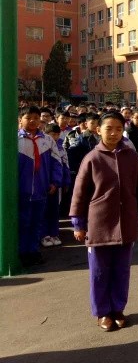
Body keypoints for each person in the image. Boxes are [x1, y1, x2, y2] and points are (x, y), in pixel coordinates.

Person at [70, 112, 138, 332]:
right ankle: (102, 312)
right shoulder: (92, 158)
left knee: (122, 269)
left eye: (118, 129)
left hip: (126, 222)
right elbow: (79, 194)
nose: (113, 133)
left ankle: (117, 308)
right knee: (99, 271)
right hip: (99, 224)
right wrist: (78, 223)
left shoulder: (131, 157)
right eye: (109, 128)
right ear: (99, 130)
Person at [18, 107, 63, 266]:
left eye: (36, 118)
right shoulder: (14, 140)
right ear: (20, 120)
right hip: (21, 191)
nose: (32, 121)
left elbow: (57, 163)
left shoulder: (47, 140)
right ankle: (22, 252)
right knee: (22, 222)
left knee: (37, 222)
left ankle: (33, 251)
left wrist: (55, 182)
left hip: (41, 189)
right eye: (28, 117)